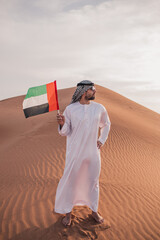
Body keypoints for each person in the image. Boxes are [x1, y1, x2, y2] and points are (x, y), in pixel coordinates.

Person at [54, 80, 111, 226]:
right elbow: (65, 131)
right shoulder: (71, 109)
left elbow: (106, 124)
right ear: (84, 91)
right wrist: (61, 123)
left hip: (93, 153)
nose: (95, 91)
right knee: (71, 182)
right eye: (93, 89)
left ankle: (94, 211)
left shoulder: (99, 108)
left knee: (93, 182)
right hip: (75, 153)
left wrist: (102, 139)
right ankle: (68, 213)